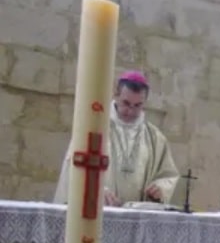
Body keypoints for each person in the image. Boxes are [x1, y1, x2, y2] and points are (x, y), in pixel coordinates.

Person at [54, 71, 179, 206]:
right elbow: (74, 166)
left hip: (136, 218)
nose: (130, 111)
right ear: (117, 95)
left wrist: (160, 188)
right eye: (126, 103)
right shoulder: (94, 127)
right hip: (97, 210)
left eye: (137, 105)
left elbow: (167, 174)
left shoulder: (155, 138)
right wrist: (95, 190)